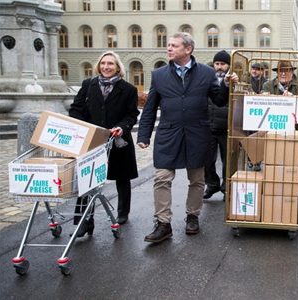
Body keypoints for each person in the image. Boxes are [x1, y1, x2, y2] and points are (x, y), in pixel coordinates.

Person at [137, 32, 238, 243]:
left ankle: (193, 216)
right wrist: (144, 134)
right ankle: (163, 224)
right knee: (162, 178)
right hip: (168, 133)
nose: (169, 49)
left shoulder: (206, 73)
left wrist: (227, 85)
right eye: (168, 45)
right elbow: (150, 107)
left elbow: (219, 100)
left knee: (197, 179)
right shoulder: (159, 75)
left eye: (174, 45)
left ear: (188, 49)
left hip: (197, 133)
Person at [69, 50, 140, 235]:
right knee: (88, 180)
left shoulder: (129, 89)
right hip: (93, 140)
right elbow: (76, 109)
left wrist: (122, 127)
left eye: (110, 64)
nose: (106, 67)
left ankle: (123, 213)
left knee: (122, 178)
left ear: (118, 67)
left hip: (118, 140)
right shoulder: (88, 85)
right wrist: (85, 127)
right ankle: (85, 221)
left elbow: (132, 114)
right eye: (103, 63)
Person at [203, 50, 231, 201]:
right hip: (209, 126)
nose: (219, 67)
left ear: (228, 65)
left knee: (228, 160)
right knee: (207, 160)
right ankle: (212, 184)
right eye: (217, 64)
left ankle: (226, 187)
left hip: (227, 127)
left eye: (223, 64)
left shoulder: (234, 79)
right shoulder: (208, 78)